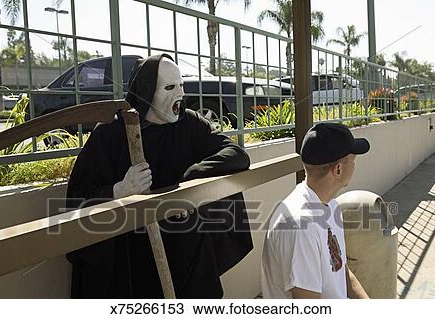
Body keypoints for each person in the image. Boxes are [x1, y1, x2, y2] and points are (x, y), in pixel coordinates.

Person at [66, 54, 253, 298]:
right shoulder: (110, 134)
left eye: (181, 86)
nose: (180, 94)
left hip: (186, 253)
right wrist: (120, 190)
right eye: (169, 87)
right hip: (132, 260)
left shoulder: (189, 123)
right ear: (146, 92)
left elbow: (236, 154)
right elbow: (77, 199)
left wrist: (190, 180)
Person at [261, 123, 370, 299]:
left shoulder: (330, 205)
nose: (355, 166)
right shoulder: (301, 226)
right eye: (353, 161)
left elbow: (340, 270)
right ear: (338, 170)